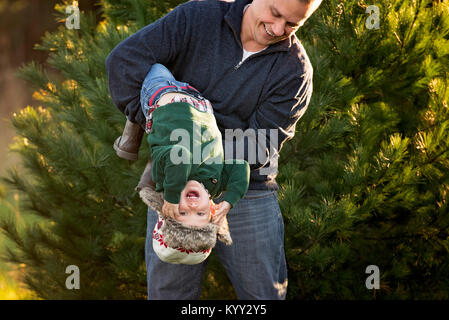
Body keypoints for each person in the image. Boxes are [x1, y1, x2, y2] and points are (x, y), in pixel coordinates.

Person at [106, 0, 322, 299]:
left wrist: (197, 150)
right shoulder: (197, 17)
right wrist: (163, 124)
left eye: (291, 25)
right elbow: (125, 61)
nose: (277, 29)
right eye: (274, 14)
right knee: (170, 295)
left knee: (263, 295)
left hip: (247, 189)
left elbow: (257, 146)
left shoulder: (294, 71)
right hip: (174, 186)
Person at [130, 63, 249, 265]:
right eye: (200, 213)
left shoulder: (164, 180)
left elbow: (180, 156)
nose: (193, 205)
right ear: (211, 209)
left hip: (163, 92)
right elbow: (241, 166)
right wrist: (229, 199)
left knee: (152, 63)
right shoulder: (214, 184)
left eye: (183, 212)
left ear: (166, 209)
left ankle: (132, 117)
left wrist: (173, 195)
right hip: (201, 101)